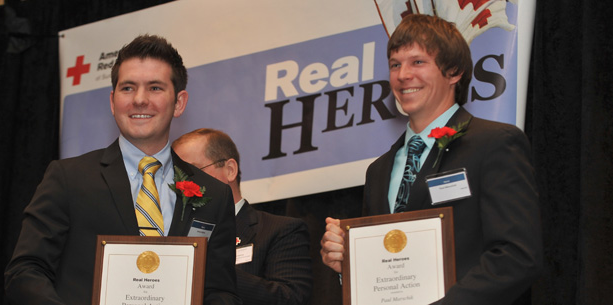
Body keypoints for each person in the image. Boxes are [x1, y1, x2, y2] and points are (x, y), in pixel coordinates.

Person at [319, 14, 542, 304]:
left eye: (418, 62)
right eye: (395, 64)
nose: (403, 75)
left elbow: (517, 256)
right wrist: (348, 265)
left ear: (453, 72)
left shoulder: (494, 143)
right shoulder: (379, 171)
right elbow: (389, 257)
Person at [4, 35, 240, 305]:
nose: (140, 100)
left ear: (179, 103)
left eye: (155, 88)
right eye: (128, 88)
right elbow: (25, 271)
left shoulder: (215, 195)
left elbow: (220, 291)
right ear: (112, 100)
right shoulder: (68, 178)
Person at [173, 128, 313, 305]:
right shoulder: (175, 234)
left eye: (192, 171)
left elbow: (291, 297)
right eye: (176, 175)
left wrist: (211, 267)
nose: (182, 183)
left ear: (230, 170)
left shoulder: (280, 230)